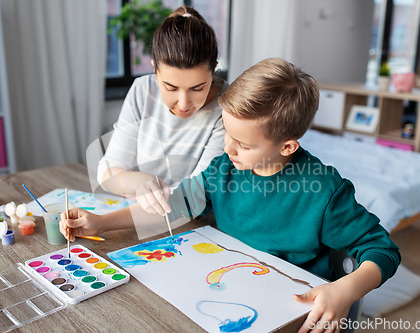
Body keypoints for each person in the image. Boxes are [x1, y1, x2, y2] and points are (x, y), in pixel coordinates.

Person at [62, 58, 400, 332]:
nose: (228, 148)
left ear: (287, 146)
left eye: (245, 144)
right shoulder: (224, 168)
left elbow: (382, 249)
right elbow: (170, 205)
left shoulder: (324, 191)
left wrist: (348, 288)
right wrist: (101, 221)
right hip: (227, 286)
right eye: (227, 133)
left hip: (290, 306)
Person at [97, 6, 228, 215]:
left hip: (197, 226)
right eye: (170, 88)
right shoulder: (142, 90)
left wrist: (134, 188)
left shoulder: (228, 106)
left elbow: (197, 195)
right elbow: (107, 174)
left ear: (214, 70)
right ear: (154, 70)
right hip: (142, 220)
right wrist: (144, 181)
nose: (183, 103)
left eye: (197, 88)